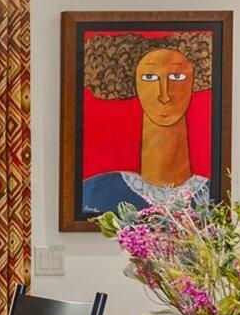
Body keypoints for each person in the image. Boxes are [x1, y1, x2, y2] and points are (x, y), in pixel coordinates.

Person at [77, 30, 214, 220]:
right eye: (149, 78)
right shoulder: (96, 192)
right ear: (130, 82)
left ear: (195, 82)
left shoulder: (214, 194)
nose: (164, 94)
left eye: (177, 78)